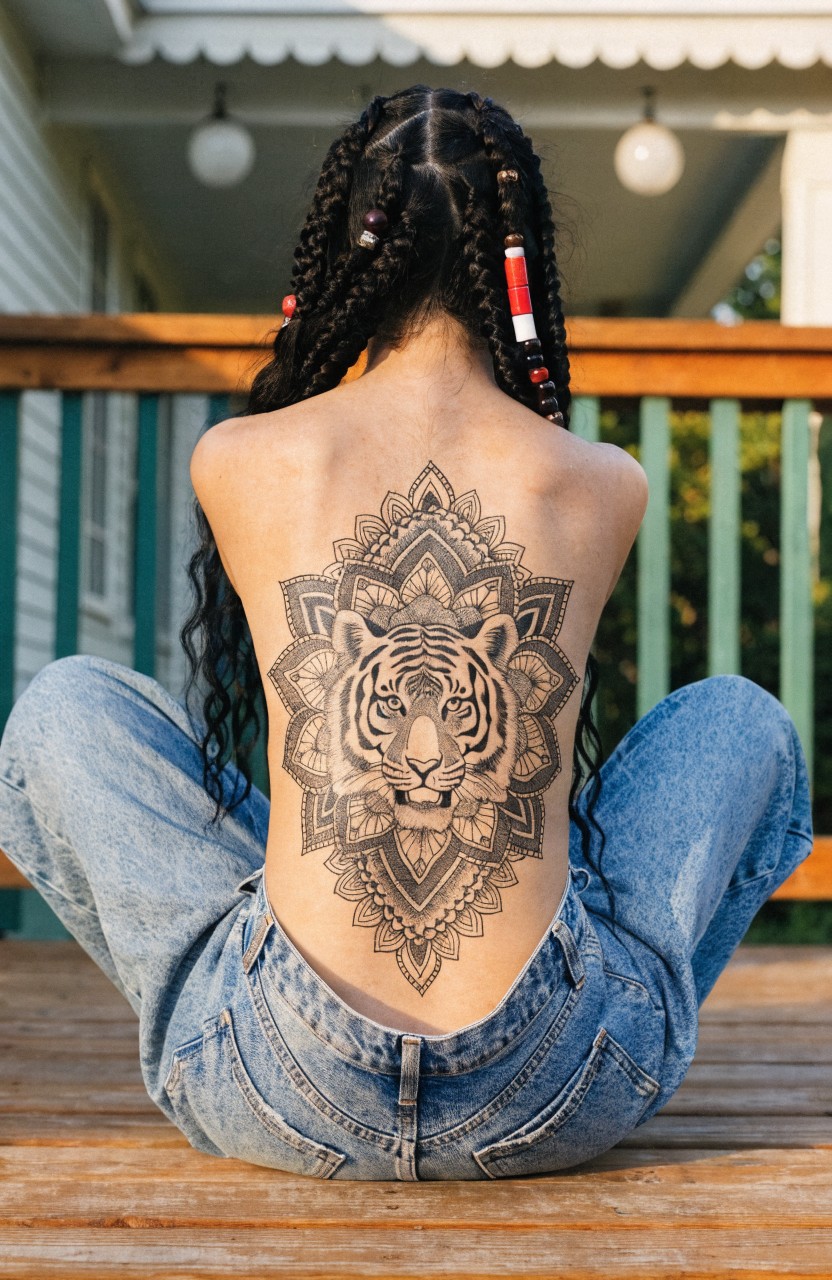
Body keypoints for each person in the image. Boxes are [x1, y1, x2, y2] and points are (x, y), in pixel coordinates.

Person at [0, 86, 814, 1181]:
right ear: (517, 267)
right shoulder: (600, 481)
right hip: (556, 1085)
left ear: (340, 261)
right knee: (742, 720)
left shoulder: (239, 458)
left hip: (277, 1081)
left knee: (61, 707)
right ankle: (633, 1023)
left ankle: (245, 980)